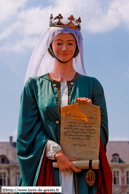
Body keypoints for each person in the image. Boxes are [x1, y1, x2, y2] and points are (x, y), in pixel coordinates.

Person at [17, 14, 112, 194]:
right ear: (50, 46)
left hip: (81, 171)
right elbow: (26, 133)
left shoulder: (93, 86)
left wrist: (87, 116)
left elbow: (102, 132)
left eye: (70, 43)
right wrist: (56, 154)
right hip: (47, 167)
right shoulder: (33, 86)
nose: (64, 48)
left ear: (77, 47)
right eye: (59, 42)